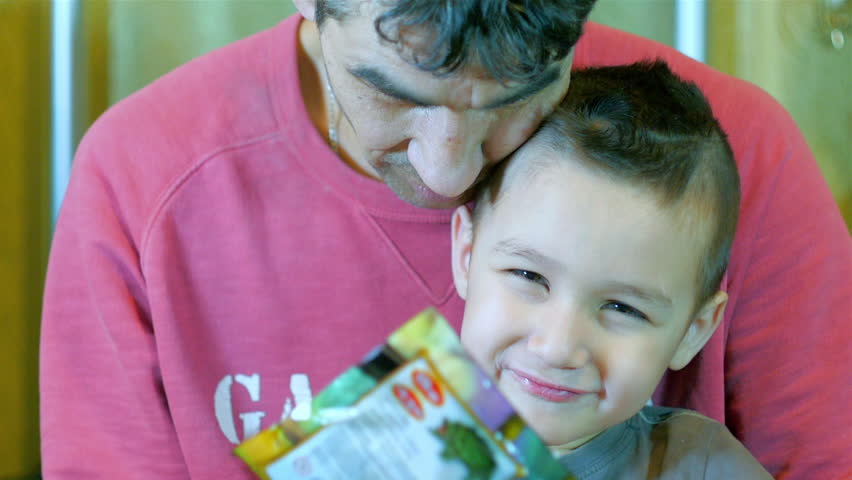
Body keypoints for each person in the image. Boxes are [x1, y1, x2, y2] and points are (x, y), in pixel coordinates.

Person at [39, 1, 851, 479]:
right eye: (387, 94)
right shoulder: (144, 184)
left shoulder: (730, 162)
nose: (447, 169)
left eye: (520, 96)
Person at [451, 60, 772, 479]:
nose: (557, 347)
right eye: (530, 278)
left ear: (694, 329)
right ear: (467, 253)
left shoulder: (706, 468)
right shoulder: (381, 439)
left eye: (622, 308)